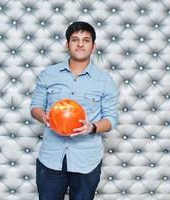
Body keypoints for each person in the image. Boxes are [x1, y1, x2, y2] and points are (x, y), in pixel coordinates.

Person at [30, 21, 118, 200]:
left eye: (86, 40)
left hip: (86, 160)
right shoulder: (48, 74)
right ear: (67, 44)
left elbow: (111, 119)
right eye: (75, 39)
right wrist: (45, 117)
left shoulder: (105, 80)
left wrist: (91, 127)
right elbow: (35, 107)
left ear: (93, 46)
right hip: (51, 158)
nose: (80, 44)